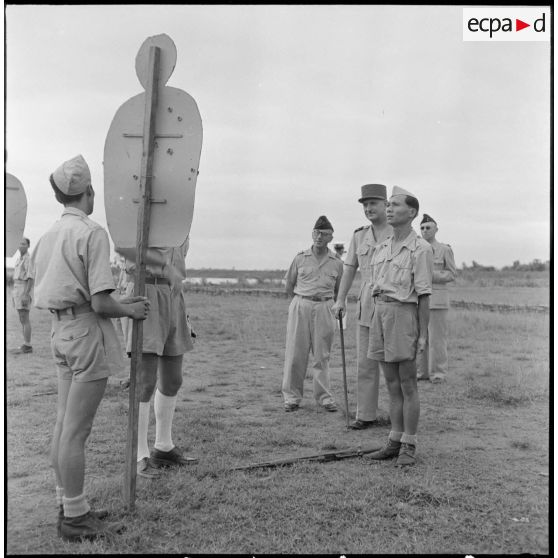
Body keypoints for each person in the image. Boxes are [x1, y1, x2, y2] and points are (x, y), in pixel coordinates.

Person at [31, 154, 150, 542]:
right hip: (84, 332)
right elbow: (100, 303)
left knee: (64, 424)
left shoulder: (49, 234)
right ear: (89, 192)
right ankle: (76, 519)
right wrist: (130, 310)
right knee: (76, 432)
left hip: (58, 332)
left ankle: (68, 504)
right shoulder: (92, 233)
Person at [117, 235, 197, 480]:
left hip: (172, 294)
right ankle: (139, 454)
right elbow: (125, 245)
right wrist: (163, 267)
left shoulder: (181, 214)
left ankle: (163, 447)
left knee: (173, 379)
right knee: (145, 380)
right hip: (145, 288)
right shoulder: (140, 202)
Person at [364, 186, 433, 467]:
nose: (388, 209)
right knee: (391, 384)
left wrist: (422, 333)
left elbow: (425, 294)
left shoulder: (421, 249)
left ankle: (409, 445)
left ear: (412, 212)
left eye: (395, 205)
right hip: (380, 314)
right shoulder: (382, 247)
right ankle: (394, 440)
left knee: (408, 384)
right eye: (388, 205)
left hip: (404, 314)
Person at [332, 184, 392, 430]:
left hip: (392, 302)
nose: (368, 209)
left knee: (394, 363)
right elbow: (349, 269)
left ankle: (399, 416)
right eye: (365, 205)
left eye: (373, 203)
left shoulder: (398, 233)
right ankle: (365, 415)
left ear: (386, 205)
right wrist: (340, 299)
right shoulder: (359, 236)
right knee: (366, 362)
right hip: (367, 303)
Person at [282, 215, 344, 412]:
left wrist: (330, 304)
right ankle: (292, 398)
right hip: (301, 304)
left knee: (322, 355)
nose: (319, 237)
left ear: (330, 238)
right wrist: (301, 302)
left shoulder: (336, 263)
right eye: (316, 233)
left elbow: (338, 291)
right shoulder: (300, 258)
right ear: (312, 234)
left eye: (324, 234)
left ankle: (324, 398)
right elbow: (289, 285)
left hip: (325, 307)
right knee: (295, 353)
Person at [417, 214, 456, 383]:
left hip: (437, 300)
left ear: (436, 229)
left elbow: (451, 274)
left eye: (428, 228)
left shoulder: (444, 249)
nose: (425, 231)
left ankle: (438, 373)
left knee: (437, 339)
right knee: (420, 338)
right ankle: (422, 372)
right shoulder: (417, 248)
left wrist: (430, 275)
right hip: (419, 300)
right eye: (422, 228)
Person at [10, 237, 34, 354]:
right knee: (21, 318)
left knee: (25, 317)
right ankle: (25, 343)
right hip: (17, 289)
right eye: (19, 243)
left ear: (28, 246)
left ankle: (28, 345)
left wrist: (26, 294)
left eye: (24, 244)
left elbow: (30, 278)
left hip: (23, 289)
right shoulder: (19, 259)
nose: (21, 246)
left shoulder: (28, 259)